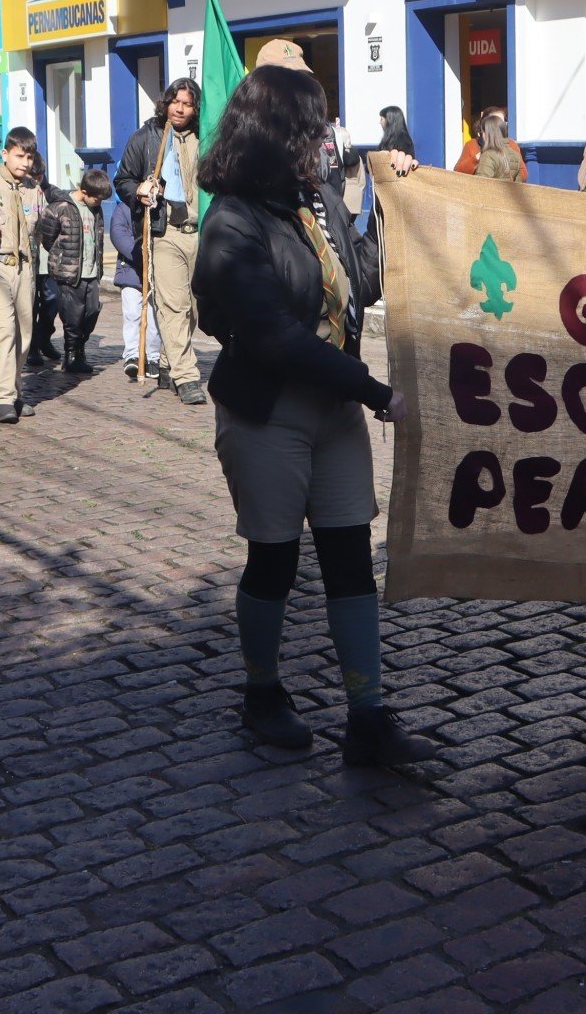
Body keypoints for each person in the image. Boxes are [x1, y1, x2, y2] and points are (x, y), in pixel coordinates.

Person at [192, 64, 435, 765]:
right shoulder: (230, 220)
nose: (327, 140)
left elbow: (361, 278)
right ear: (275, 134)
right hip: (269, 411)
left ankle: (368, 715)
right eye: (313, 127)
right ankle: (262, 693)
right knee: (273, 557)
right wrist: (376, 391)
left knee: (350, 556)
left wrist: (393, 203)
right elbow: (270, 334)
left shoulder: (316, 199)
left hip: (334, 411)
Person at [115, 77, 207, 406]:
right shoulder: (146, 137)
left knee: (194, 308)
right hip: (163, 231)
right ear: (165, 102)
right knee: (173, 305)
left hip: (200, 232)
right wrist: (138, 189)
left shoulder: (206, 138)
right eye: (175, 101)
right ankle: (187, 376)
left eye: (187, 103)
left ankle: (169, 363)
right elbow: (122, 180)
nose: (180, 108)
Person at [0, 125, 56, 423]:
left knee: (23, 331)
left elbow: (44, 224)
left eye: (30, 157)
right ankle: (3, 397)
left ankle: (15, 391)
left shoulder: (33, 188)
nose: (25, 163)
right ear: (5, 154)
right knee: (3, 327)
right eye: (19, 156)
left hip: (24, 265)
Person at [40, 167, 110, 376]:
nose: (99, 203)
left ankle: (80, 348)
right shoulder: (61, 207)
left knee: (91, 312)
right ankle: (72, 356)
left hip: (91, 271)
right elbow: (47, 238)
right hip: (69, 273)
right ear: (84, 192)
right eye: (96, 199)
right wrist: (61, 258)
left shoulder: (96, 209)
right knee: (73, 316)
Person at [111, 192, 165, 380]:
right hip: (131, 272)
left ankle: (153, 357)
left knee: (153, 318)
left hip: (155, 271)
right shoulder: (123, 209)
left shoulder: (158, 206)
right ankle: (132, 354)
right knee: (133, 315)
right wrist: (141, 256)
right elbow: (119, 235)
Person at [452, 107, 528, 180]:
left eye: (501, 122)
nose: (498, 125)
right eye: (494, 121)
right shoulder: (471, 145)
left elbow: (523, 174)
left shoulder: (511, 144)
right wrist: (476, 158)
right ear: (484, 124)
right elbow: (458, 172)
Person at [471, 113, 524, 180]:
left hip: (492, 190)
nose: (482, 135)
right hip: (509, 190)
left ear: (487, 133)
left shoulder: (488, 155)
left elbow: (482, 184)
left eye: (482, 132)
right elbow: (518, 185)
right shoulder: (515, 155)